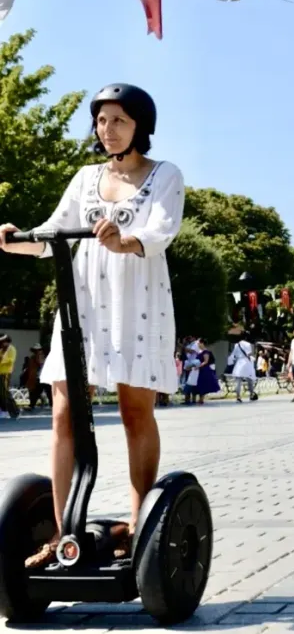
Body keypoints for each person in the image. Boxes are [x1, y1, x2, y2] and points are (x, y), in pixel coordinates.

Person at [0, 83, 184, 565]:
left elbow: (160, 231)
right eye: (102, 121)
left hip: (137, 302)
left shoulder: (164, 175)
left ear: (141, 124)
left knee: (133, 412)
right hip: (82, 302)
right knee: (63, 413)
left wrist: (125, 239)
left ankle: (141, 526)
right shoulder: (84, 179)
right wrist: (14, 240)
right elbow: (50, 233)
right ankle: (62, 537)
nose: (108, 130)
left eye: (119, 120)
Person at [229, 333, 258, 403]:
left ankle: (238, 397)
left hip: (239, 363)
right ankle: (251, 394)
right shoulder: (248, 344)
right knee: (249, 379)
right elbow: (248, 354)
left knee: (238, 380)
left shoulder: (236, 345)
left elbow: (234, 355)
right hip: (246, 362)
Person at [0, 334, 19, 419]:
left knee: (5, 393)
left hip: (6, 373)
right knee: (1, 393)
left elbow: (11, 360)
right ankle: (3, 410)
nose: (2, 343)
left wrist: (1, 360)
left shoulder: (11, 349)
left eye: (4, 342)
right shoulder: (1, 349)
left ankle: (14, 411)